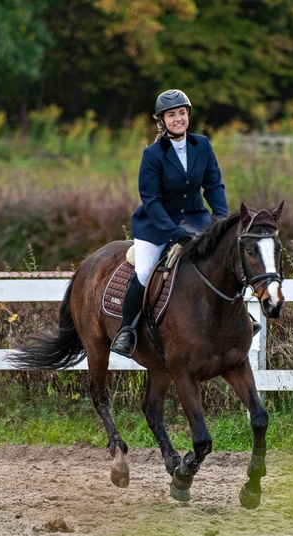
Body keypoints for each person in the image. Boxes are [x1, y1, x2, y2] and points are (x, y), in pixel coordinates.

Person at [111, 89, 229, 357]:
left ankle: (238, 320)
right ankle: (126, 330)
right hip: (156, 225)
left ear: (188, 115)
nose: (179, 118)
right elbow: (151, 200)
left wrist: (220, 219)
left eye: (182, 113)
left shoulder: (203, 145)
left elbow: (214, 186)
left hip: (197, 221)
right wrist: (174, 232)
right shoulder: (153, 154)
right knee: (144, 271)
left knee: (222, 261)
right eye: (172, 114)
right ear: (162, 120)